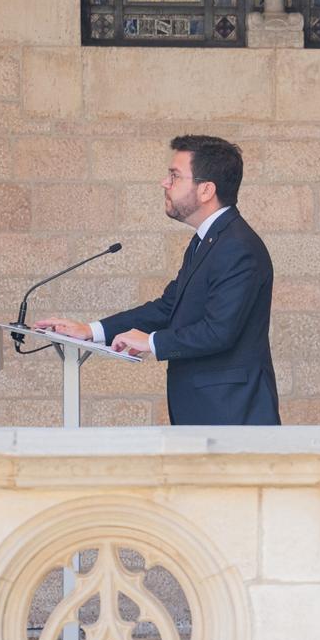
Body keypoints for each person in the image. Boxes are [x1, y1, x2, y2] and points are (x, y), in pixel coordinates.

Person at [34, 135, 280, 426]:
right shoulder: (208, 241)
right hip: (208, 413)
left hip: (232, 415)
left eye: (174, 176)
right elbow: (168, 308)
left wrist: (151, 342)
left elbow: (219, 331)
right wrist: (90, 330)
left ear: (206, 190)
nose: (164, 183)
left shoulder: (237, 246)